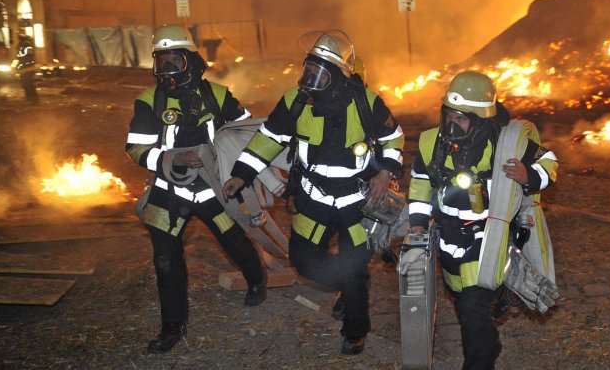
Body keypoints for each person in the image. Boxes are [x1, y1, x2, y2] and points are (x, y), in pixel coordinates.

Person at [222, 29, 404, 356]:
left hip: (357, 205)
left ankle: (355, 331)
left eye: (320, 73)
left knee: (354, 265)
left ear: (338, 76)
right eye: (309, 69)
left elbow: (394, 139)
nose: (310, 79)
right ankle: (350, 290)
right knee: (304, 263)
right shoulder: (295, 101)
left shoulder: (367, 102)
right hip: (313, 200)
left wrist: (385, 172)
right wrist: (241, 174)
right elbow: (267, 139)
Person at [125, 24, 266, 354]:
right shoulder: (148, 102)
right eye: (161, 63)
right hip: (168, 192)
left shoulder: (217, 95)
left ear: (190, 60)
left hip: (214, 190)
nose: (167, 71)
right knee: (165, 259)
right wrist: (175, 159)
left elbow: (244, 131)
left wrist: (239, 171)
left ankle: (257, 278)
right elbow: (136, 148)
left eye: (174, 62)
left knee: (234, 241)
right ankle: (172, 326)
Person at [407, 70, 558, 370]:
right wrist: (417, 223)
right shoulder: (429, 143)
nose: (451, 124)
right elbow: (420, 185)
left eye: (461, 119)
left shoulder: (507, 143)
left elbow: (549, 161)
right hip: (450, 245)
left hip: (491, 243)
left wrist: (529, 175)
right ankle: (492, 332)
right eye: (448, 115)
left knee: (471, 307)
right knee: (463, 301)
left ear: (479, 120)